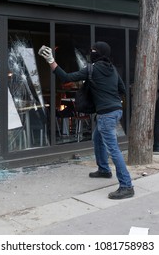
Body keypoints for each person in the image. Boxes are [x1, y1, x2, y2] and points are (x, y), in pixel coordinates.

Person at [38, 41, 134, 200]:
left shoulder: (92, 69)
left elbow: (66, 77)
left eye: (93, 50)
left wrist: (50, 60)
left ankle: (126, 185)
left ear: (99, 53)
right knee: (97, 138)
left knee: (113, 150)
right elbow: (122, 90)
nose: (91, 52)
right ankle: (104, 169)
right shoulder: (113, 70)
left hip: (106, 114)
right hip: (116, 110)